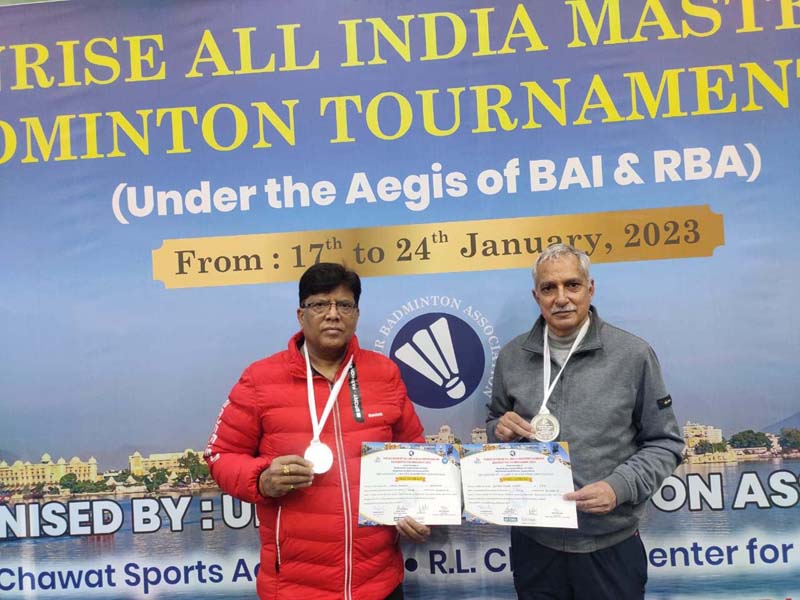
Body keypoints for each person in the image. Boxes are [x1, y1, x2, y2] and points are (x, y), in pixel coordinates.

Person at [205, 262, 430, 600]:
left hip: (379, 582)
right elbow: (220, 455)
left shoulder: (384, 374)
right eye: (320, 304)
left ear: (356, 313)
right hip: (295, 587)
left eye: (344, 304)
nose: (333, 314)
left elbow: (416, 452)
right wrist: (261, 479)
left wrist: (418, 507)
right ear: (301, 314)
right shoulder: (259, 379)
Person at [486, 244, 684, 600]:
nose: (561, 298)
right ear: (536, 296)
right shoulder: (512, 358)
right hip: (536, 544)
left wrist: (619, 486)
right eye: (549, 288)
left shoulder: (633, 354)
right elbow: (495, 424)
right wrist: (498, 431)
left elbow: (666, 442)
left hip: (610, 545)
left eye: (572, 285)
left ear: (590, 289)